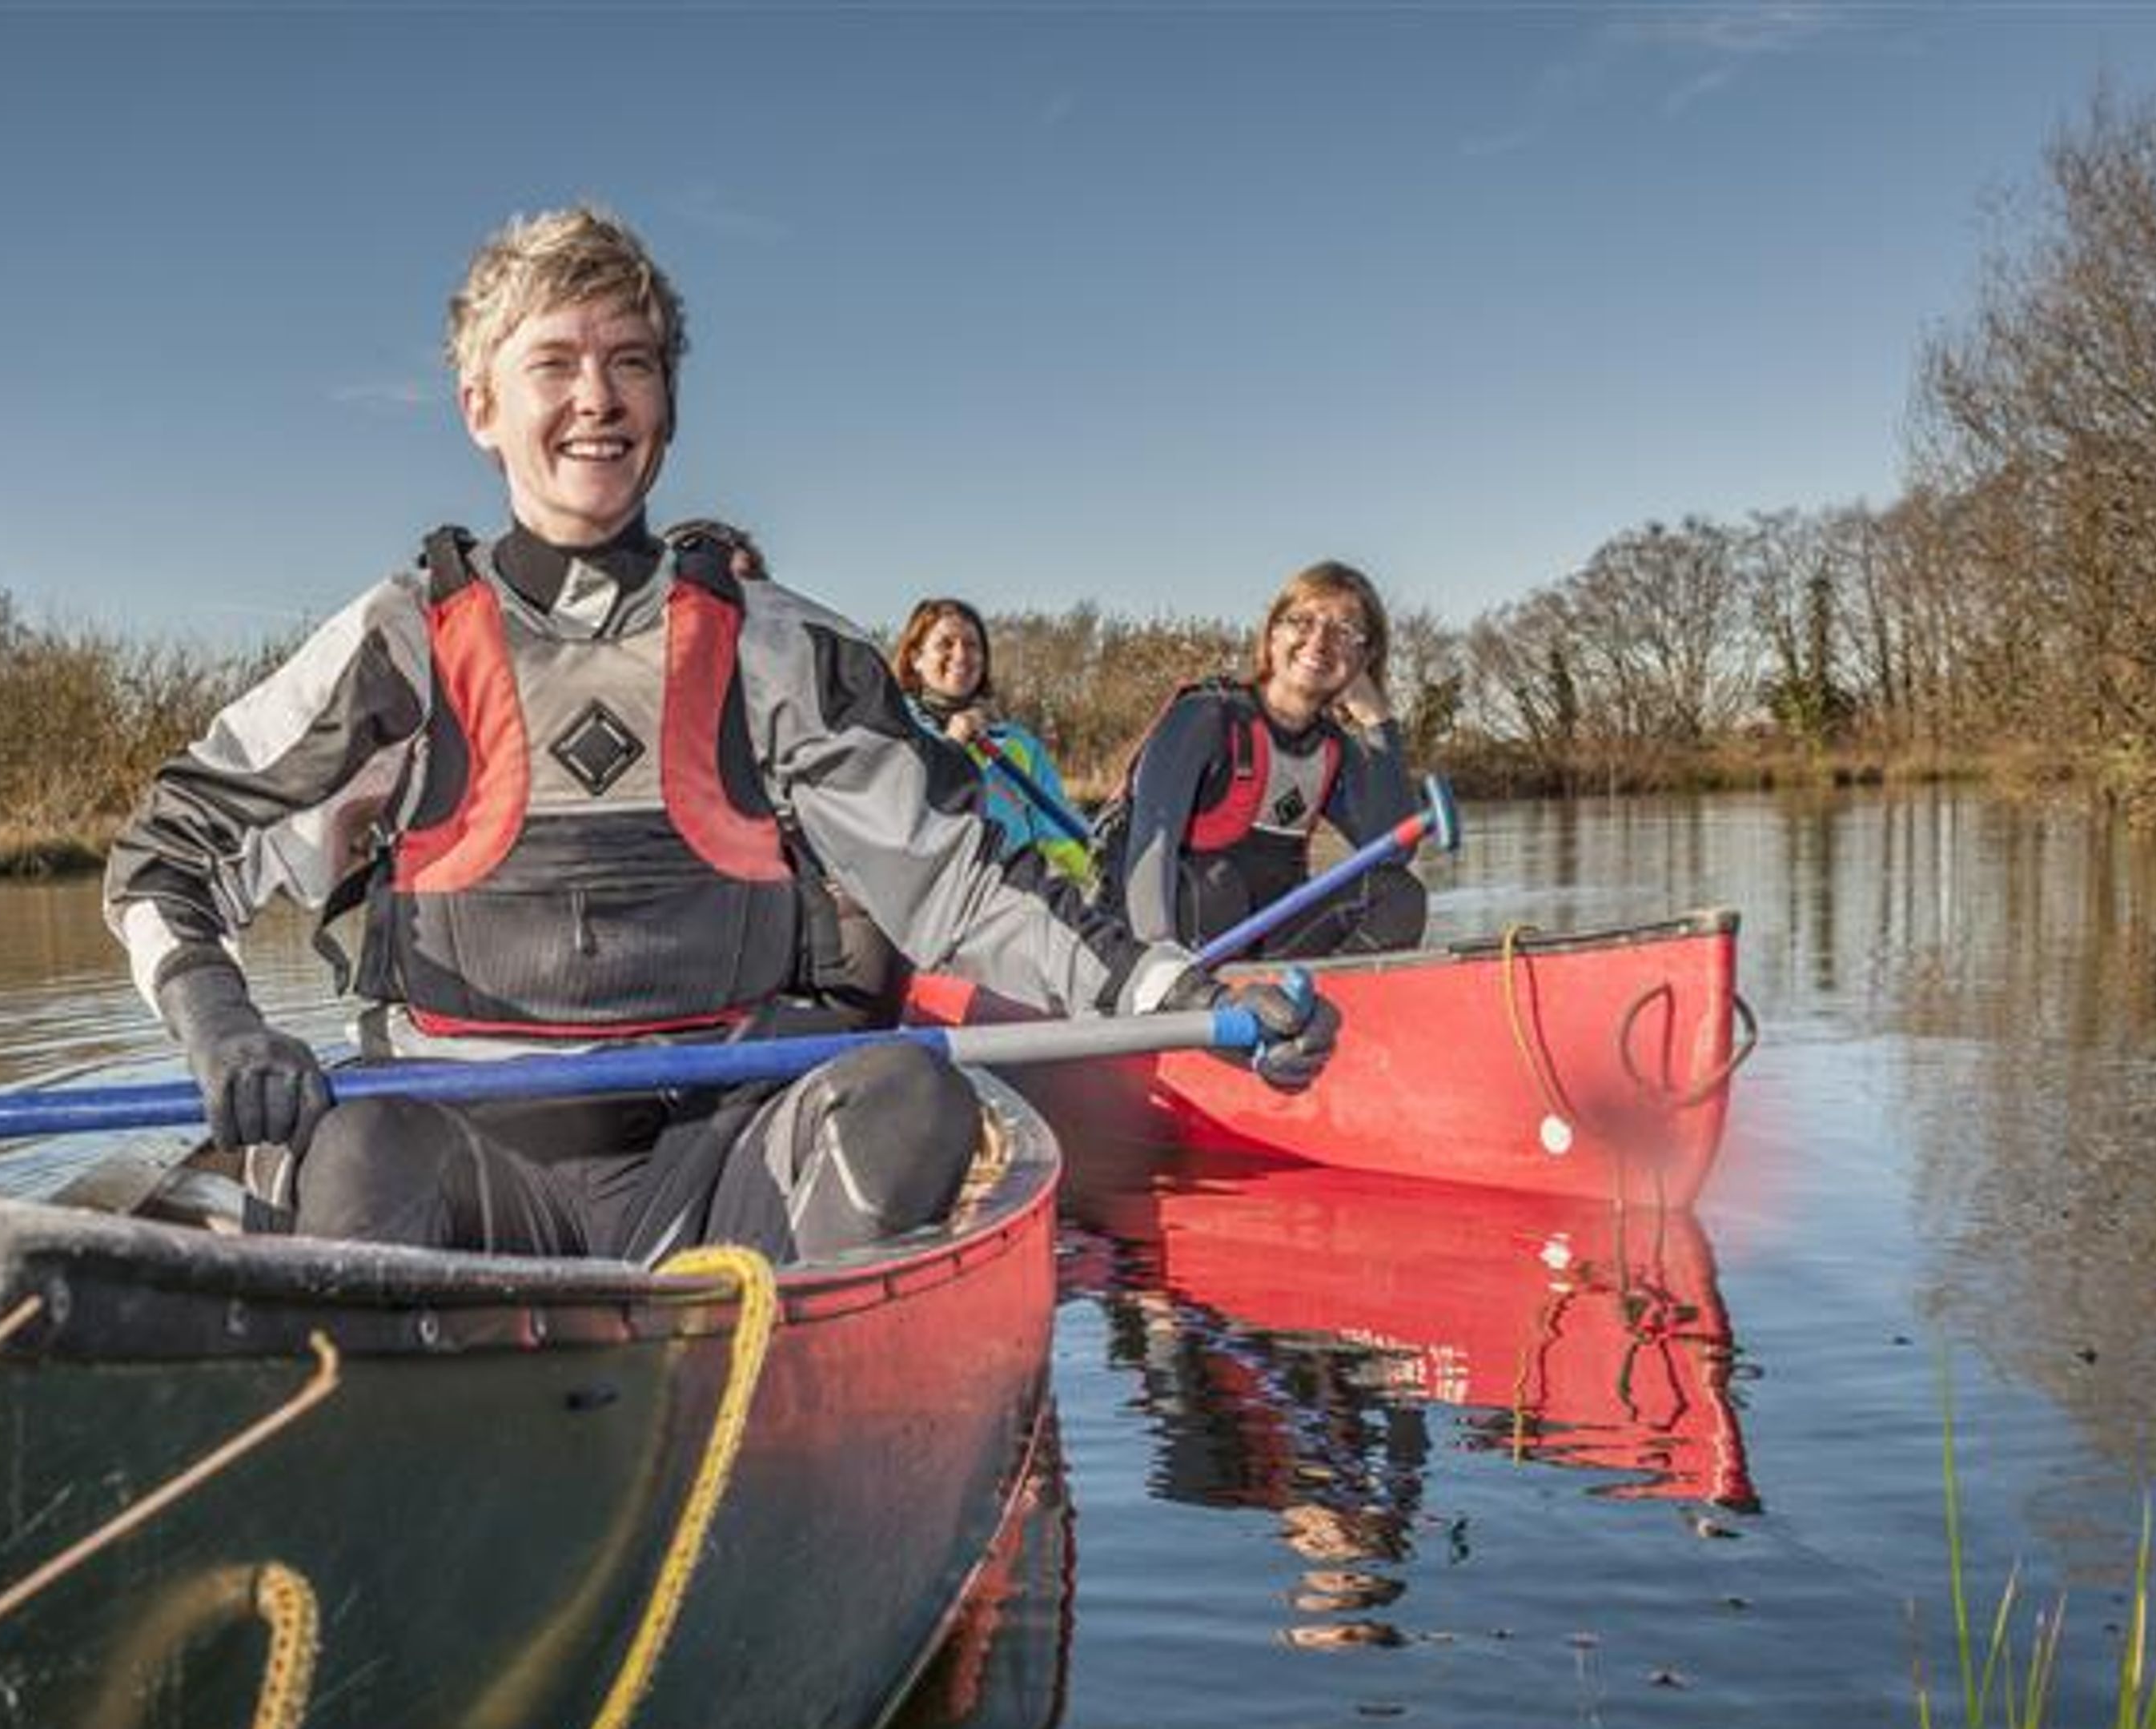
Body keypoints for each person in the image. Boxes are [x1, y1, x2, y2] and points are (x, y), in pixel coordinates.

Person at [103, 204, 1339, 1267]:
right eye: (556, 365)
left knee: (916, 1093)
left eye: (632, 365)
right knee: (353, 1148)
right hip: (466, 1163)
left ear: (669, 403)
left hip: (724, 1160)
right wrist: (220, 1022)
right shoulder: (397, 644)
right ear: (479, 405)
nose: (598, 399)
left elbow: (965, 881)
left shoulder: (774, 645)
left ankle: (795, 1411)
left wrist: (1178, 989)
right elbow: (165, 860)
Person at [1102, 561, 1428, 959]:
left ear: (1365, 656)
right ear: (1273, 634)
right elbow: (1150, 856)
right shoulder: (1204, 717)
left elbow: (1394, 851)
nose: (1319, 641)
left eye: (1344, 630)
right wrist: (1159, 969)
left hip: (1270, 950)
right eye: (1302, 621)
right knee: (1220, 885)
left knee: (1399, 895)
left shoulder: (1333, 750)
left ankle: (1329, 1003)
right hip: (1173, 946)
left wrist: (1379, 724)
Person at [892, 598, 1095, 886]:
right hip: (928, 902)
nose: (961, 655)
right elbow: (901, 822)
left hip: (1009, 901)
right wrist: (954, 745)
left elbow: (1058, 834)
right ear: (916, 658)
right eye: (946, 644)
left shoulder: (1019, 745)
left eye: (972, 645)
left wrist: (1099, 878)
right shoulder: (892, 733)